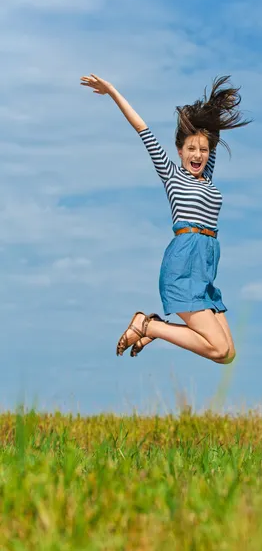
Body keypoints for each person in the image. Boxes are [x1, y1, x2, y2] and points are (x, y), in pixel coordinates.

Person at [80, 73, 251, 364]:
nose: (197, 155)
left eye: (203, 150)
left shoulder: (206, 176)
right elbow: (142, 129)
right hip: (184, 261)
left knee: (227, 355)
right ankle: (149, 326)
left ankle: (153, 325)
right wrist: (112, 91)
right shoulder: (173, 176)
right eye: (191, 149)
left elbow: (212, 132)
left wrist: (214, 111)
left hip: (206, 265)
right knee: (219, 348)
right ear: (180, 151)